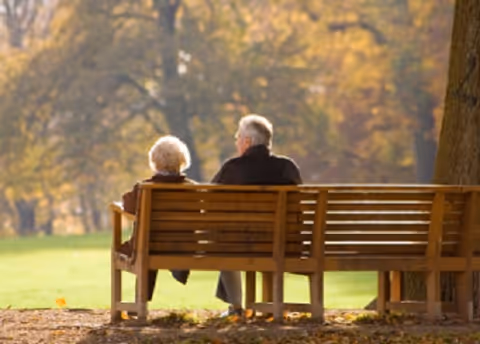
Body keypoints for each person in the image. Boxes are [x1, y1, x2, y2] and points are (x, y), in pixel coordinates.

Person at [211, 114, 302, 316]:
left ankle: (235, 307)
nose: (236, 142)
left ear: (247, 141)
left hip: (239, 245)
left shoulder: (232, 169)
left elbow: (209, 204)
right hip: (285, 243)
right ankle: (266, 305)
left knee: (224, 238)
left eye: (237, 137)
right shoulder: (287, 167)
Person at [119, 135, 194, 301]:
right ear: (182, 160)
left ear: (154, 161)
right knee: (152, 241)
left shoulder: (144, 188)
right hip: (182, 248)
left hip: (148, 247)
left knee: (146, 242)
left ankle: (141, 302)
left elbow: (129, 207)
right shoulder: (193, 189)